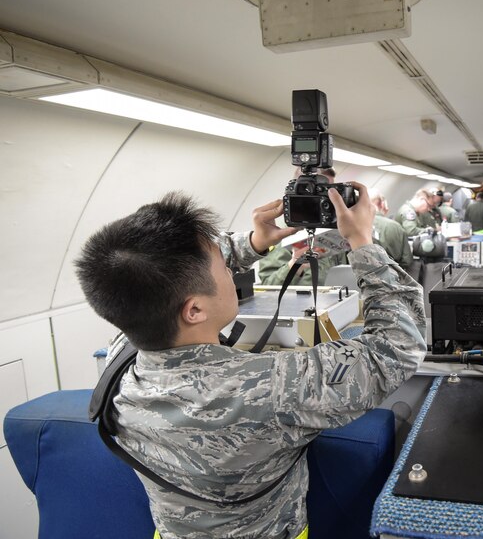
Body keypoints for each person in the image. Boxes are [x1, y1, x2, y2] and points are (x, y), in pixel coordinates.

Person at [74, 186, 426, 539]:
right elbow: (399, 345)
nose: (232, 272)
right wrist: (363, 242)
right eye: (224, 269)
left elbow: (160, 273)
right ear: (194, 310)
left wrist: (256, 241)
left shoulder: (118, 365)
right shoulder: (274, 388)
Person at [257, 167, 348, 286]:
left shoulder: (335, 227)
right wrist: (294, 265)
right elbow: (268, 286)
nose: (331, 198)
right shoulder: (280, 234)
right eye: (323, 191)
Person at [369, 188, 413, 269]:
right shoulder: (395, 226)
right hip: (391, 276)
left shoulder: (350, 226)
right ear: (382, 204)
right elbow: (407, 260)